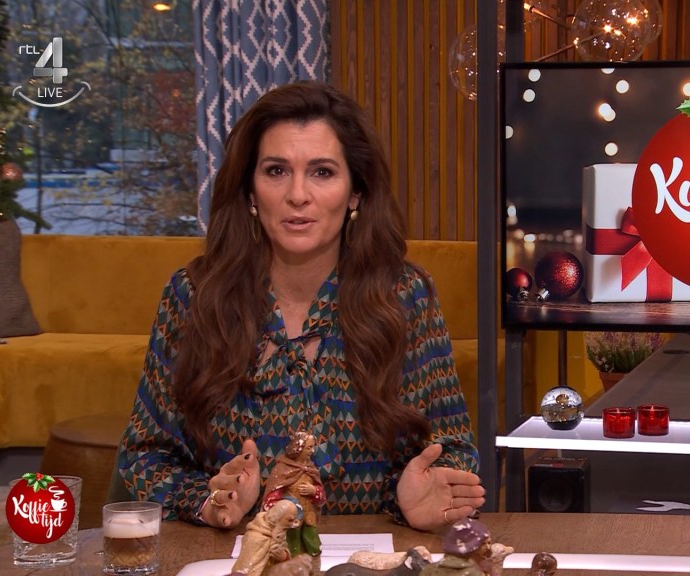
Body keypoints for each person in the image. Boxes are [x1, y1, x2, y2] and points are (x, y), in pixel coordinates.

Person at [115, 81, 485, 531]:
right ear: (250, 191)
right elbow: (145, 455)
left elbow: (451, 449)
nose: (297, 194)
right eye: (276, 170)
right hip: (232, 553)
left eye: (322, 172)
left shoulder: (404, 295)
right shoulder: (194, 295)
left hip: (368, 554)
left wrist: (410, 500)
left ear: (355, 192)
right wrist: (208, 500)